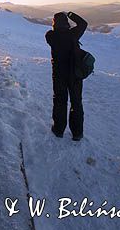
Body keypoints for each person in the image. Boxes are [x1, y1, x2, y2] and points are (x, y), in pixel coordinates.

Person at [45, 11, 88, 141]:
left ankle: (58, 130)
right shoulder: (73, 34)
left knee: (59, 101)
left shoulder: (50, 36)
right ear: (66, 23)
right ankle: (77, 133)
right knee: (76, 102)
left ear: (54, 23)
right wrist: (71, 14)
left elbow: (53, 34)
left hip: (59, 74)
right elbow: (83, 23)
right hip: (75, 75)